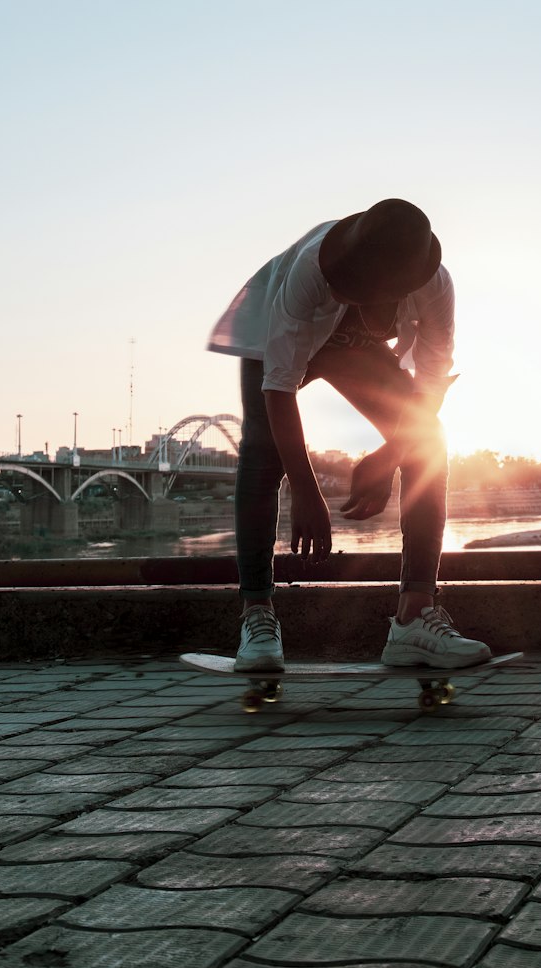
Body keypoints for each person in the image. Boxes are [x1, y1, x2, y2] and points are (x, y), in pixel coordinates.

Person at [207, 199, 491, 674]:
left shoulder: (434, 283)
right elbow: (279, 387)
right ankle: (257, 618)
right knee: (261, 450)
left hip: (350, 350)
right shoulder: (308, 274)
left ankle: (414, 618)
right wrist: (305, 488)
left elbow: (431, 379)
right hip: (277, 326)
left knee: (428, 440)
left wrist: (389, 455)